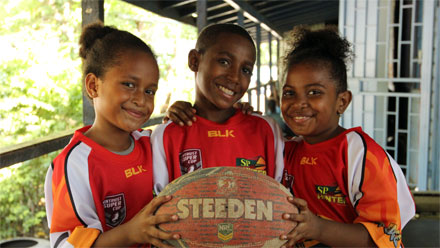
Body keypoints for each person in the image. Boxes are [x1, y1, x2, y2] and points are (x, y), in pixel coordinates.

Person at [44, 22, 180, 248]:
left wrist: (186, 111)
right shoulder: (75, 164)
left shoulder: (151, 144)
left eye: (150, 91)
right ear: (93, 86)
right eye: (129, 84)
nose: (141, 100)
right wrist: (131, 233)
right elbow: (69, 245)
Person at [278, 26, 415, 247]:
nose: (298, 103)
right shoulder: (286, 151)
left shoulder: (360, 155)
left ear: (342, 101)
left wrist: (318, 228)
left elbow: (381, 238)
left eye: (314, 92)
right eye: (289, 93)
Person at [151, 23, 284, 192]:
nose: (235, 77)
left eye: (246, 70)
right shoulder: (166, 135)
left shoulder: (267, 130)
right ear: (194, 61)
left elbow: (281, 198)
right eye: (224, 61)